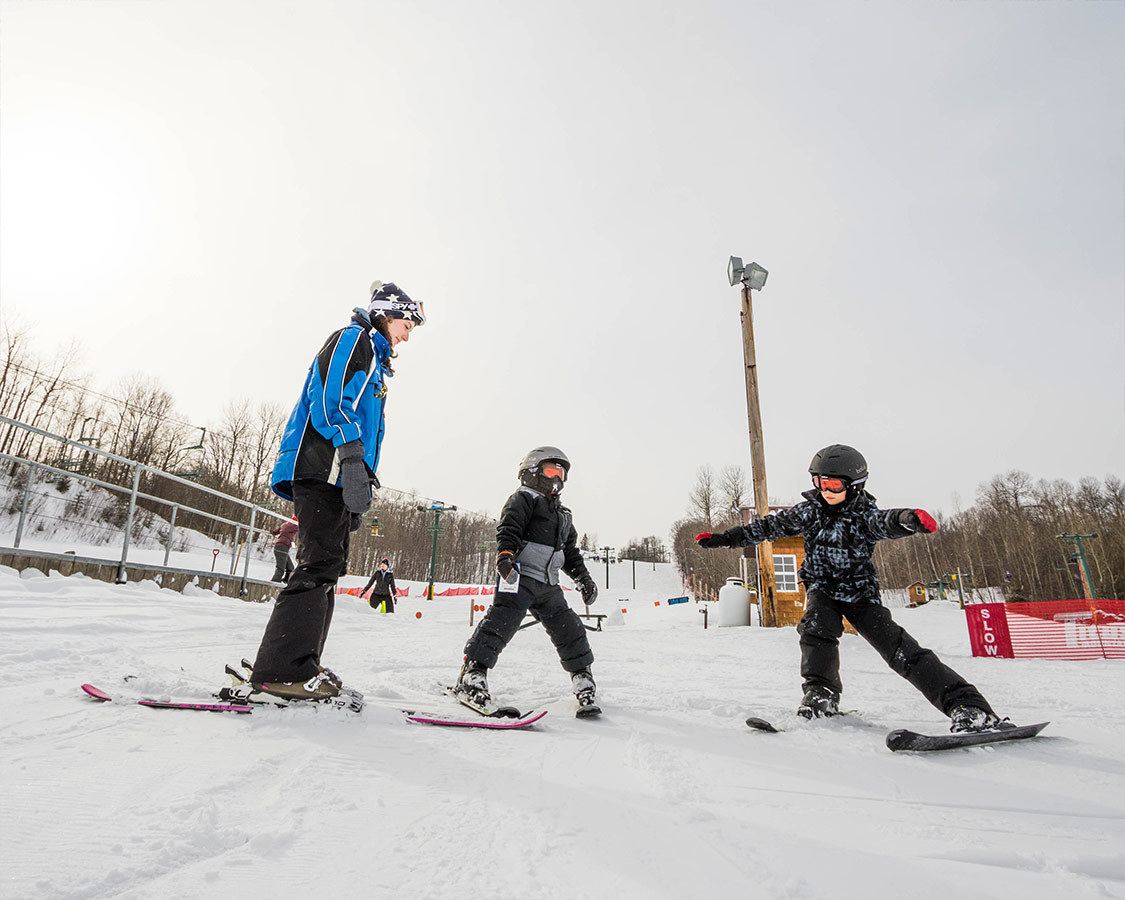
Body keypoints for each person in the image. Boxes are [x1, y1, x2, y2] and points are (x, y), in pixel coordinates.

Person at [695, 444, 1008, 733]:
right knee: (816, 630)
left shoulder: (862, 516)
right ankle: (821, 697)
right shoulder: (808, 512)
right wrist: (724, 539)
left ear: (855, 485)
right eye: (820, 482)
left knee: (900, 651)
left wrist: (909, 519)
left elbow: (884, 522)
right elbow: (764, 528)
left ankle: (969, 707)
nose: (826, 491)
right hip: (821, 588)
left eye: (834, 485)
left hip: (859, 594)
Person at [248, 281, 425, 703]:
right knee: (318, 564)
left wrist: (361, 475)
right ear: (386, 314)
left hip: (341, 470)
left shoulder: (379, 360)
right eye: (406, 323)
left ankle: (302, 663)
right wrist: (348, 452)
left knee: (330, 565)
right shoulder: (356, 339)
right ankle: (279, 670)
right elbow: (328, 396)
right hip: (322, 463)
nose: (408, 333)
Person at [456, 447, 601, 713]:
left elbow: (570, 553)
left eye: (562, 473)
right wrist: (505, 555)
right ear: (532, 471)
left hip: (548, 583)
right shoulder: (524, 498)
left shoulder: (564, 515)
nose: (557, 477)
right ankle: (473, 674)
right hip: (519, 576)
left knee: (568, 627)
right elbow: (509, 528)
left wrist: (584, 579)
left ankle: (582, 677)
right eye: (551, 470)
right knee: (502, 622)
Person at [270, 516, 299, 583]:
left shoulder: (285, 524)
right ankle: (274, 582)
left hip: (278, 547)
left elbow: (275, 532)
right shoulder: (295, 525)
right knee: (280, 568)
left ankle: (286, 581)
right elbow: (303, 528)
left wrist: (272, 532)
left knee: (290, 567)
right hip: (283, 547)